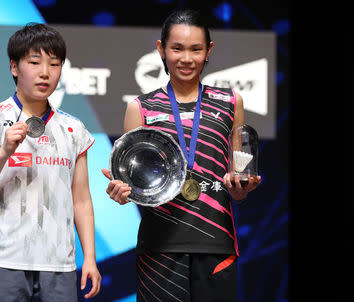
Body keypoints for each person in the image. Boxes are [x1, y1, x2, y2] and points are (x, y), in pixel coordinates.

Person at [102, 10, 261, 302]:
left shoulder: (230, 102)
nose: (186, 58)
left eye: (195, 49)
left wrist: (242, 186)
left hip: (216, 243)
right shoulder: (141, 108)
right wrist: (123, 192)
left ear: (208, 50)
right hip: (158, 246)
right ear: (161, 49)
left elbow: (239, 175)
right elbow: (133, 186)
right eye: (176, 48)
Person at [0, 23, 101, 302]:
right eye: (34, 62)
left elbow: (81, 200)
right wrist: (3, 153)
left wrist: (90, 259)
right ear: (14, 67)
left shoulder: (74, 129)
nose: (45, 72)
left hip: (59, 266)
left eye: (54, 63)